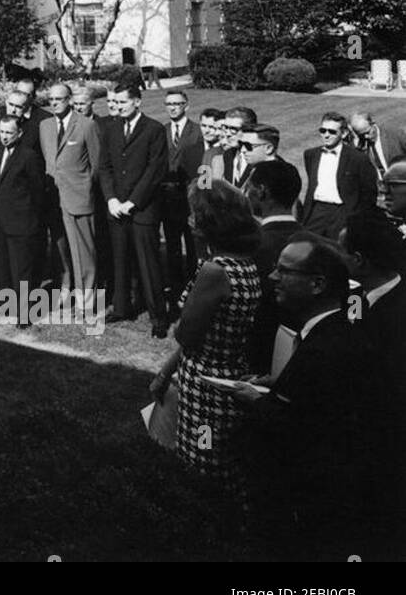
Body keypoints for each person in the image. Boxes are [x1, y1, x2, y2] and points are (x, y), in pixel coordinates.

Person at [230, 237, 404, 560]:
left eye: (284, 271)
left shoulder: (326, 348)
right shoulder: (336, 331)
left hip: (318, 514)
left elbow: (303, 428)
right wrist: (282, 384)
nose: (272, 277)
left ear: (317, 284)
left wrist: (255, 400)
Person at [150, 182, 261, 500]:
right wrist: (164, 373)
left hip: (205, 392)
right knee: (219, 469)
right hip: (228, 382)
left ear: (209, 222)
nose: (190, 220)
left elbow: (186, 335)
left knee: (200, 471)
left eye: (195, 214)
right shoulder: (244, 263)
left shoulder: (215, 271)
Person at [98, 82, 169, 336]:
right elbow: (104, 167)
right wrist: (111, 200)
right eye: (114, 103)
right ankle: (121, 307)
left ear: (137, 101)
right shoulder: (110, 128)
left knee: (148, 264)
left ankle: (158, 318)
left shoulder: (154, 129)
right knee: (119, 260)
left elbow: (155, 170)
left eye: (122, 102)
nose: (117, 107)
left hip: (143, 209)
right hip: (116, 207)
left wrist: (133, 202)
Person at [243, 159, 307, 375]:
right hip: (303, 361)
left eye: (249, 187)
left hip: (254, 364)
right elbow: (354, 301)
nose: (246, 193)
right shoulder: (325, 246)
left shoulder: (247, 248)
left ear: (261, 192)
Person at [40, 84, 101, 299]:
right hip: (53, 198)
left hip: (78, 197)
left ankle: (87, 299)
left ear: (69, 100)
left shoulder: (86, 126)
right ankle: (66, 288)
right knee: (61, 249)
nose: (54, 103)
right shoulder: (45, 126)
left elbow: (96, 166)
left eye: (59, 99)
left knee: (84, 252)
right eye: (51, 99)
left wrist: (82, 188)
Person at [341, 210, 406, 396]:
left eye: (340, 250)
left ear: (358, 260)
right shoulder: (356, 296)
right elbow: (350, 327)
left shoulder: (399, 317)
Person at [0, 114, 46, 326]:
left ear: (19, 133)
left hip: (22, 222)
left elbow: (38, 190)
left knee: (21, 270)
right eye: (2, 132)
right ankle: (6, 306)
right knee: (3, 267)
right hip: (2, 221)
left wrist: (31, 219)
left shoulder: (29, 157)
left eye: (9, 133)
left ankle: (24, 313)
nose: (4, 137)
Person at [300, 111, 378, 239]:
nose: (326, 135)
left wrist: (356, 218)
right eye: (323, 130)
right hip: (316, 211)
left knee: (339, 252)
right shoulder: (311, 155)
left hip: (343, 212)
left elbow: (369, 193)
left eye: (332, 132)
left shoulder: (357, 158)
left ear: (344, 133)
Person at [161, 90, 204, 308]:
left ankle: (194, 286)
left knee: (193, 245)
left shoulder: (198, 131)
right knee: (172, 246)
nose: (172, 108)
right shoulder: (163, 131)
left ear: (186, 105)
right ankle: (175, 287)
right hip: (168, 200)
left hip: (190, 197)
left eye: (177, 104)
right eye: (169, 104)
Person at [349, 111, 406, 210]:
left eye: (368, 132)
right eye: (361, 135)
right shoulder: (360, 145)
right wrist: (356, 141)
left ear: (373, 124)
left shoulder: (395, 135)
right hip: (380, 191)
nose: (366, 137)